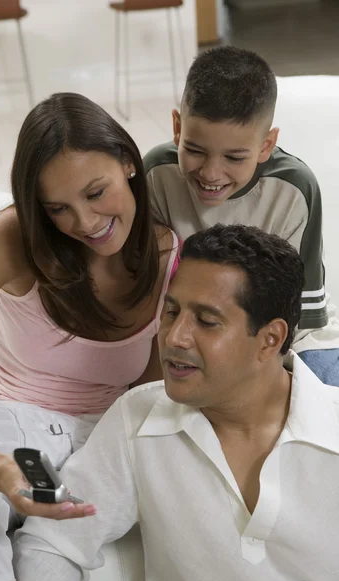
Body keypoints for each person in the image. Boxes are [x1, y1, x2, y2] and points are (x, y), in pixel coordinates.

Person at [14, 223, 339, 581]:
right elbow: (52, 541)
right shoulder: (138, 417)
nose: (174, 337)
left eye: (206, 321)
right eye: (171, 312)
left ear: (270, 339)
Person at [0, 93, 179, 581]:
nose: (86, 223)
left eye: (96, 193)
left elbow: (149, 397)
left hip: (91, 448)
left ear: (128, 163)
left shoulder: (170, 257)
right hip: (12, 437)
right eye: (59, 209)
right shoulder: (15, 238)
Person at [144, 45, 339, 386]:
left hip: (275, 333)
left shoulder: (294, 188)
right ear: (177, 127)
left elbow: (298, 315)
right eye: (193, 150)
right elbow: (148, 289)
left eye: (234, 158)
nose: (211, 174)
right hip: (184, 330)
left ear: (266, 145)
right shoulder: (156, 175)